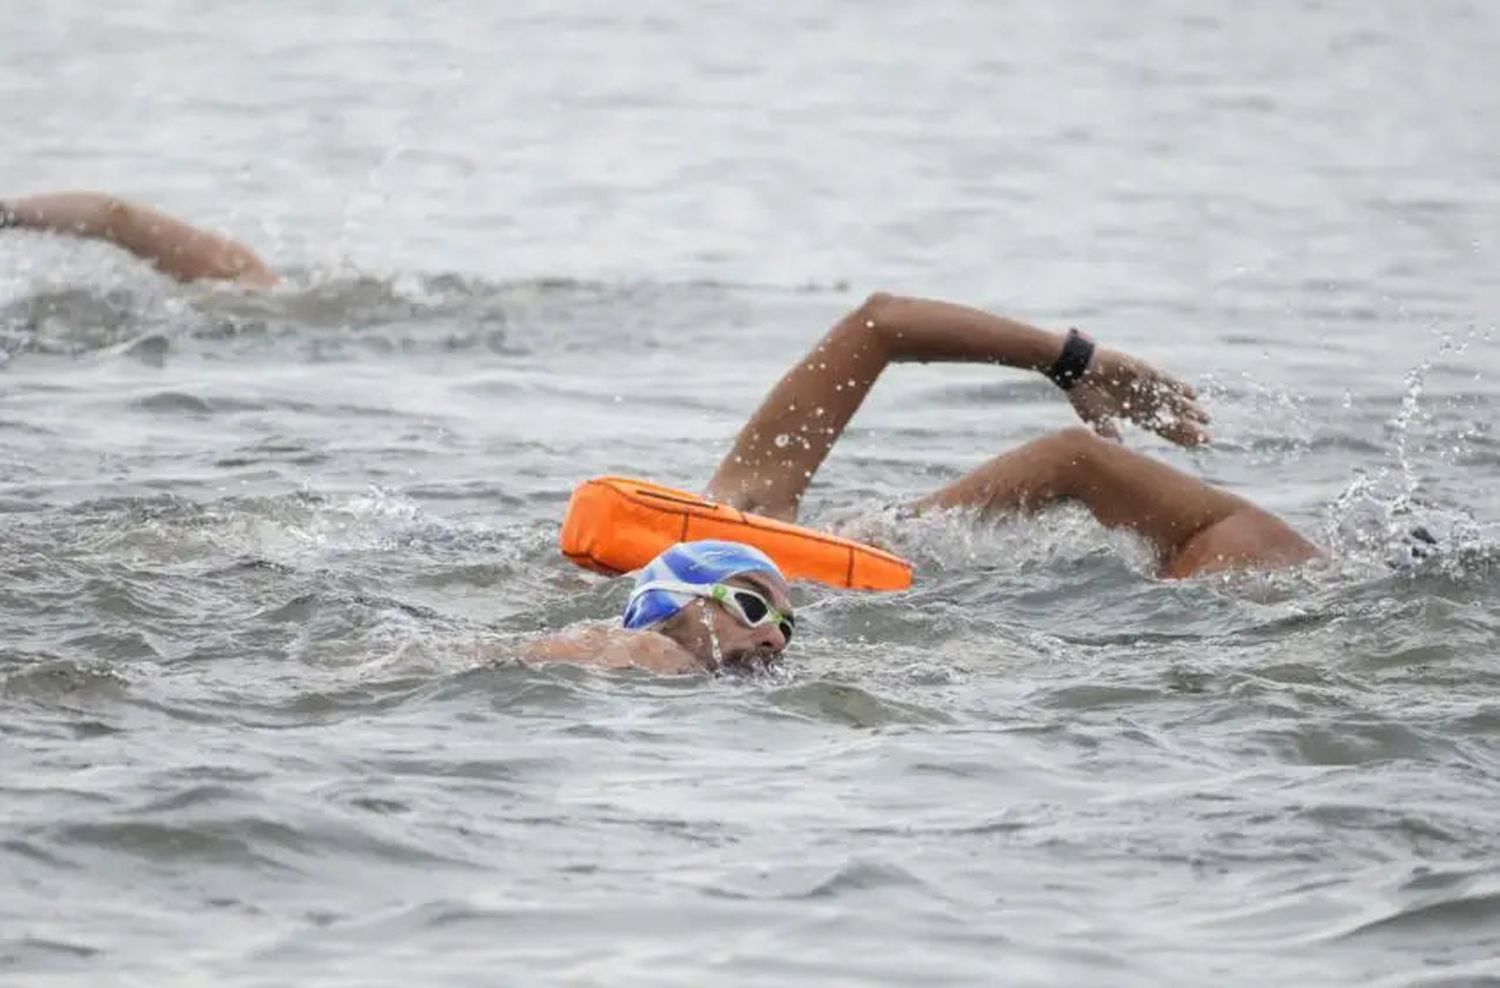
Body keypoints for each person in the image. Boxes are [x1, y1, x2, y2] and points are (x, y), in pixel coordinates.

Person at [3, 191, 1324, 671]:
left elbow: (880, 324)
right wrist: (1082, 373)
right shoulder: (879, 548)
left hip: (476, 595)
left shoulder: (756, 503)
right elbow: (1072, 464)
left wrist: (1074, 358)